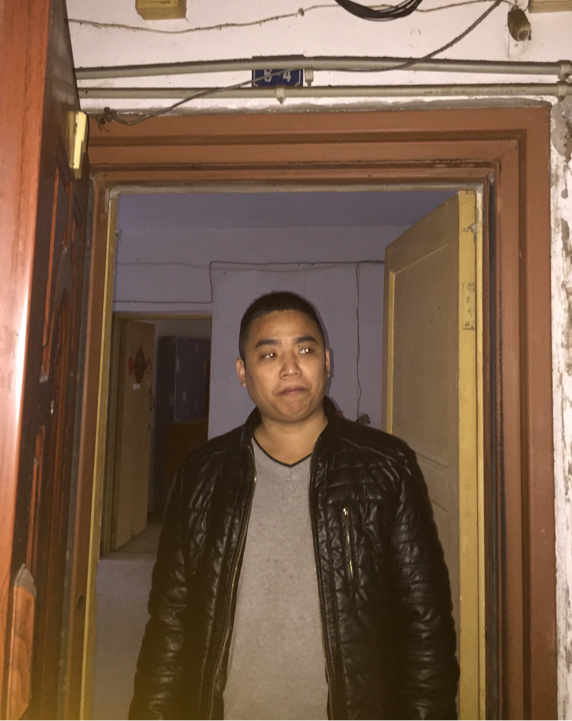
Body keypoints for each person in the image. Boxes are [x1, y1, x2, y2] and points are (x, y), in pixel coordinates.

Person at [129, 291, 458, 720]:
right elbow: (169, 622)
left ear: (327, 362)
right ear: (243, 372)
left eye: (305, 350)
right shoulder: (201, 476)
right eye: (269, 354)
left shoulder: (386, 467)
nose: (290, 367)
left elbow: (426, 623)